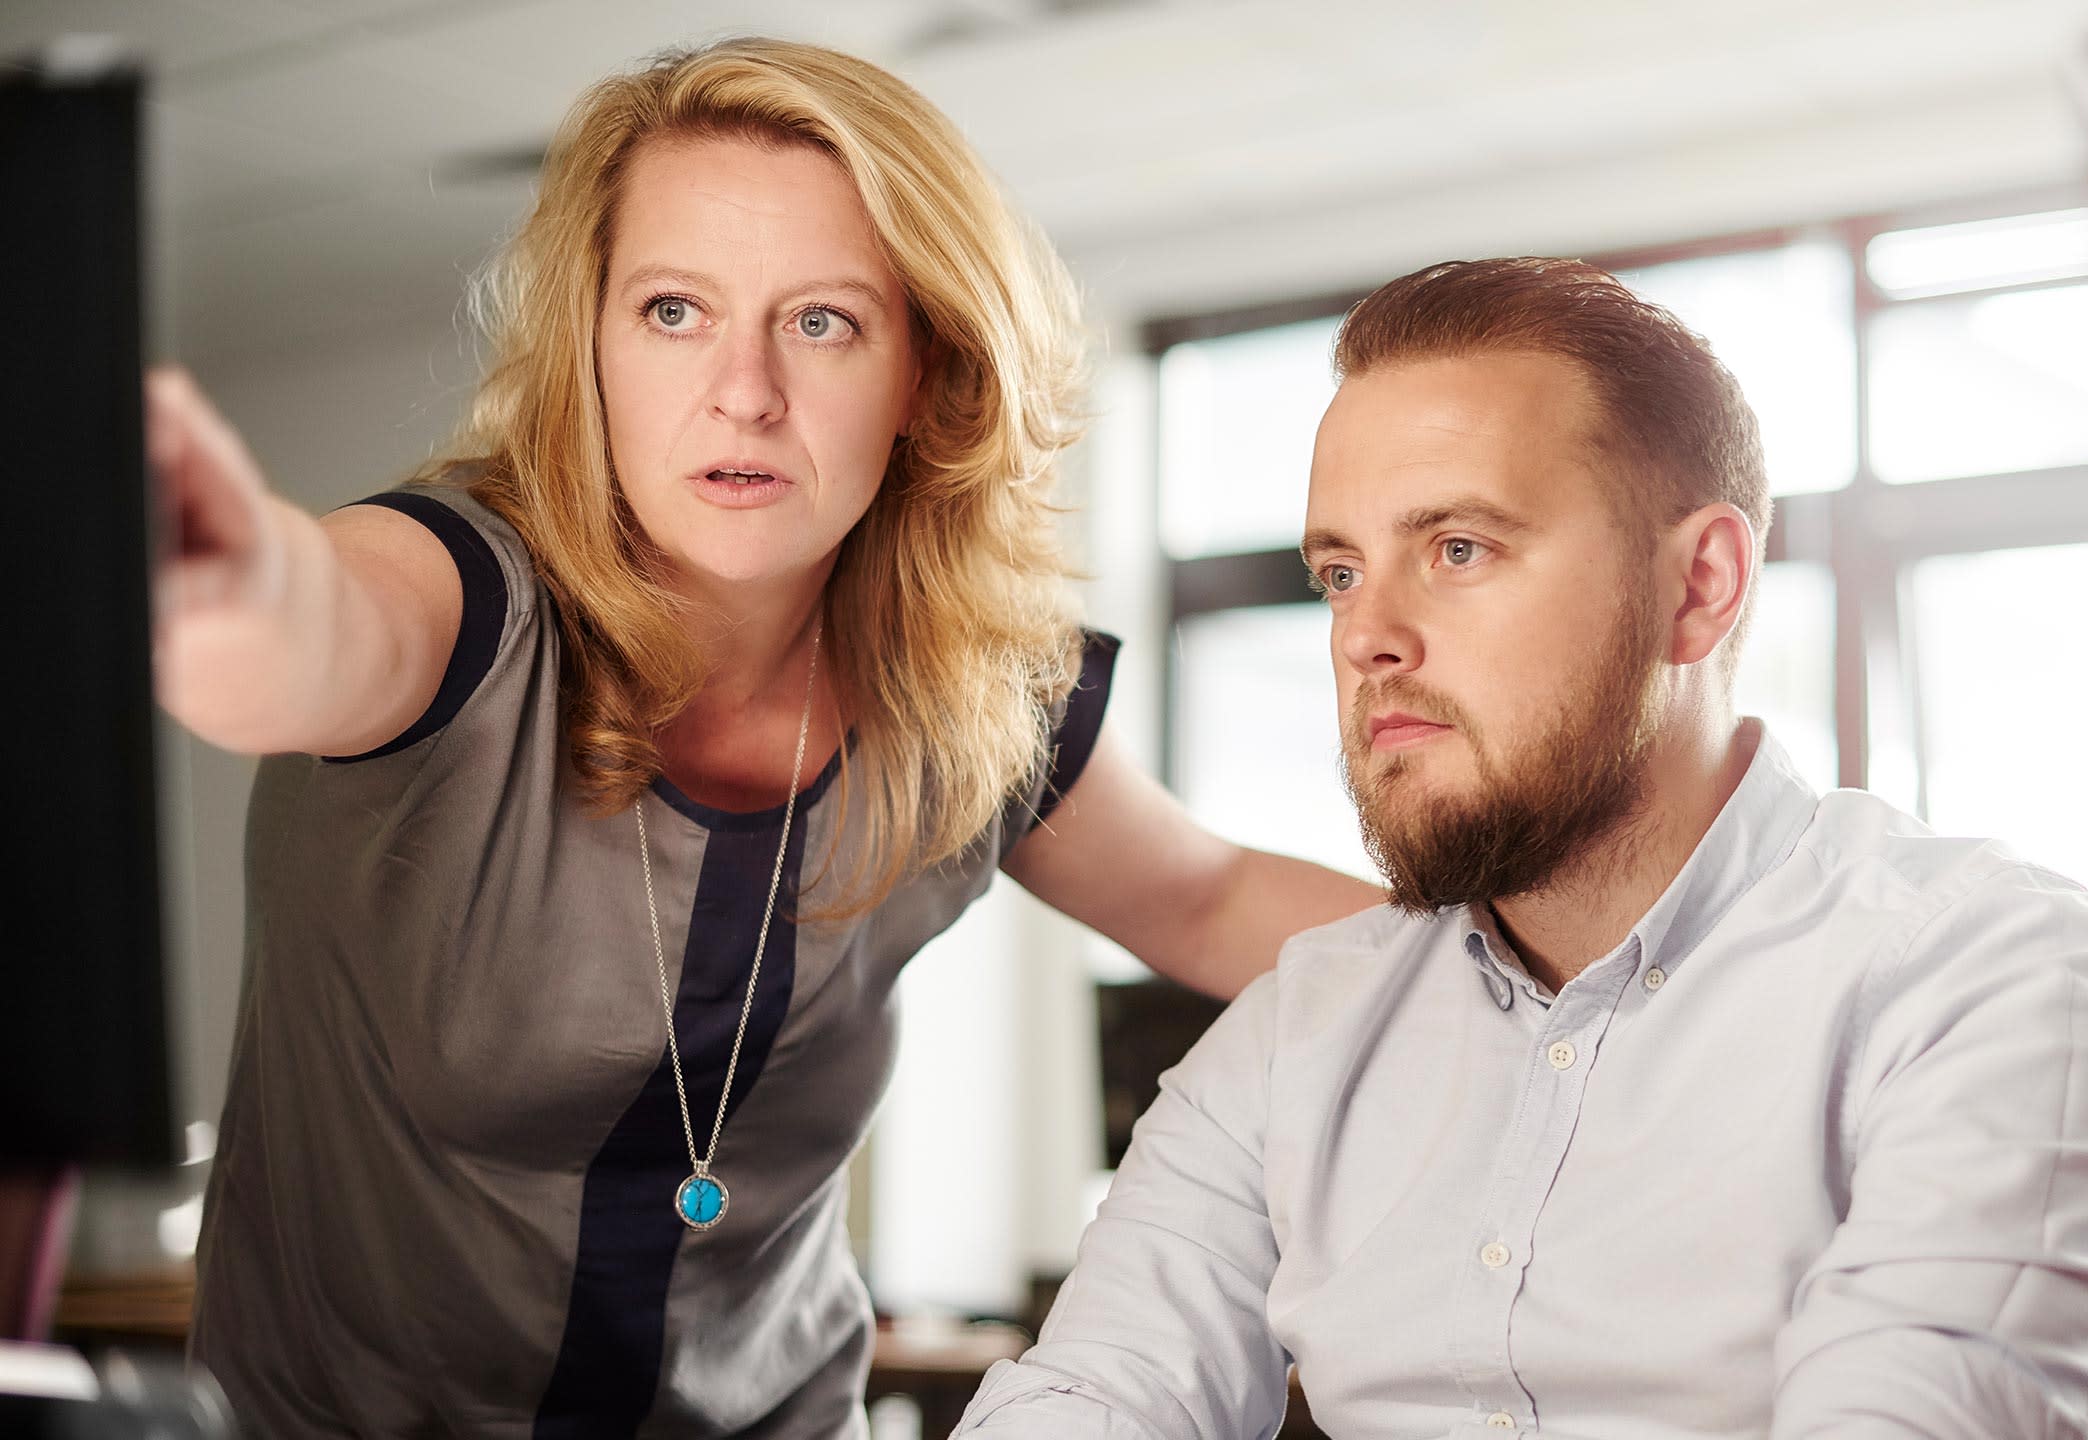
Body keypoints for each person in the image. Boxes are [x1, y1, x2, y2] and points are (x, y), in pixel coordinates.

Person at [152, 38, 1377, 1437]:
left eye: (823, 322)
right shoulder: (456, 592)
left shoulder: (969, 689)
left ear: (925, 373)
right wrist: (214, 578)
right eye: (674, 311)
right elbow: (301, 633)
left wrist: (1598, 967)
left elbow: (1209, 897)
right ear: (590, 346)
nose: (742, 391)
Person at [955, 258, 2088, 1438]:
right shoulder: (1300, 1033)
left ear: (1698, 587)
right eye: (1339, 572)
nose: (1364, 635)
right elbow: (1096, 1394)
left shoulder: (1987, 978)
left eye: (1458, 549)